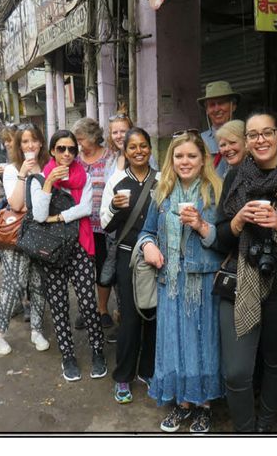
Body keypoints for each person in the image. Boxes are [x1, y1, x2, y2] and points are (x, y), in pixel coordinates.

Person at [212, 109, 277, 432]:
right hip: (242, 277)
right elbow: (219, 238)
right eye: (254, 135)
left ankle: (265, 427)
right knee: (237, 372)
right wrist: (238, 220)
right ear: (247, 141)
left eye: (267, 133)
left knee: (276, 361)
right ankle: (246, 432)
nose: (260, 140)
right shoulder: (235, 176)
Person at [137, 131, 225, 433]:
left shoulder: (215, 193)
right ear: (171, 161)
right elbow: (146, 231)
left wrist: (201, 225)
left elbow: (225, 241)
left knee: (203, 345)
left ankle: (204, 406)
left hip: (202, 284)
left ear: (203, 161)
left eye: (191, 156)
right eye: (178, 156)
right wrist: (148, 245)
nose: (184, 161)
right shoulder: (161, 193)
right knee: (174, 344)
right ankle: (181, 403)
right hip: (170, 283)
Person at [27, 129, 107, 382]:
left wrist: (59, 216)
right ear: (52, 150)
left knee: (87, 303)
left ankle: (98, 351)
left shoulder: (84, 175)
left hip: (80, 246)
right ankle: (68, 356)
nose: (67, 154)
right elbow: (39, 216)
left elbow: (86, 208)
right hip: (51, 250)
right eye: (61, 148)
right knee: (59, 304)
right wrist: (50, 182)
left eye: (72, 149)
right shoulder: (39, 178)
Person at [103, 127, 160, 404]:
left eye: (143, 146)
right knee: (129, 318)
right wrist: (114, 207)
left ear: (150, 148)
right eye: (132, 147)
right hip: (127, 256)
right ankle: (123, 376)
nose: (139, 151)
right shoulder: (117, 181)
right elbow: (105, 225)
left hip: (156, 256)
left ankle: (147, 370)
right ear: (125, 152)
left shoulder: (162, 181)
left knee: (153, 315)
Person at [0, 123, 50, 355]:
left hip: (42, 234)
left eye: (33, 140)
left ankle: (37, 329)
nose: (29, 145)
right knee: (14, 283)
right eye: (24, 141)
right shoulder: (11, 170)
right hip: (17, 236)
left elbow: (48, 202)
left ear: (40, 143)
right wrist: (23, 174)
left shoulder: (48, 166)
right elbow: (16, 204)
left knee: (38, 284)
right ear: (18, 145)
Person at [72, 117, 118, 327]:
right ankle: (86, 309)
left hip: (103, 225)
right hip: (81, 226)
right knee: (82, 270)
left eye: (81, 139)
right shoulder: (75, 160)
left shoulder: (110, 157)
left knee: (103, 267)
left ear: (93, 137)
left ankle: (101, 309)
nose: (78, 144)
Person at [198, 81, 242, 176]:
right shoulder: (199, 141)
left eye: (221, 103)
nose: (217, 109)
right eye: (212, 105)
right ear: (206, 110)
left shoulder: (247, 135)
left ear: (233, 106)